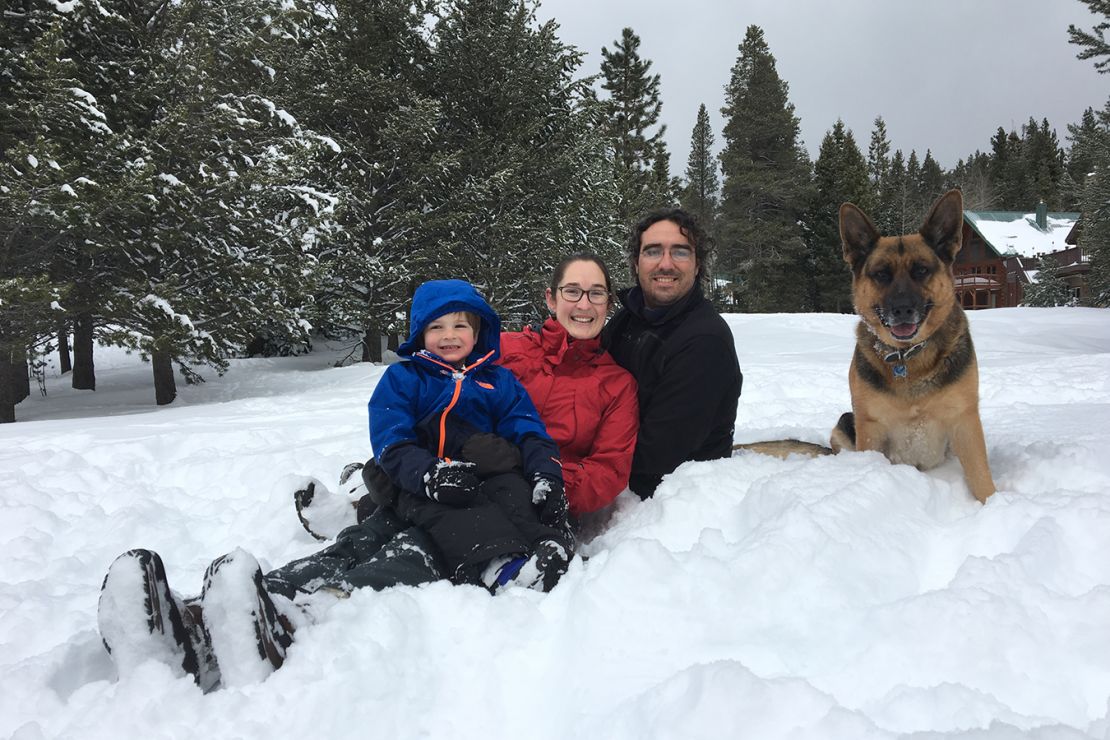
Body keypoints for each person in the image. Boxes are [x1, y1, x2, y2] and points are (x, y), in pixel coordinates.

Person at [97, 279, 574, 691]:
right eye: (437, 327)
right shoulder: (406, 379)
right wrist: (427, 475)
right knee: (353, 544)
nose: (449, 336)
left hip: (461, 511)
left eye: (460, 326)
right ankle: (201, 617)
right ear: (420, 333)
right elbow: (392, 441)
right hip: (415, 493)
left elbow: (530, 432)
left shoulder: (499, 384)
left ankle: (290, 619)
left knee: (399, 559)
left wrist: (546, 476)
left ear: (479, 331)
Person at [601, 208, 743, 499]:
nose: (666, 264)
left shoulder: (705, 341)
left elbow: (658, 454)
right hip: (615, 477)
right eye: (653, 251)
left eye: (679, 252)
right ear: (636, 263)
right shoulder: (629, 318)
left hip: (667, 503)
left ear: (697, 264)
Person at [498, 253, 638, 518]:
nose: (584, 305)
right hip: (463, 493)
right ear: (551, 299)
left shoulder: (617, 385)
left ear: (608, 304)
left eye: (596, 294)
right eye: (572, 292)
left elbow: (608, 469)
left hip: (541, 511)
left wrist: (549, 487)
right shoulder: (503, 349)